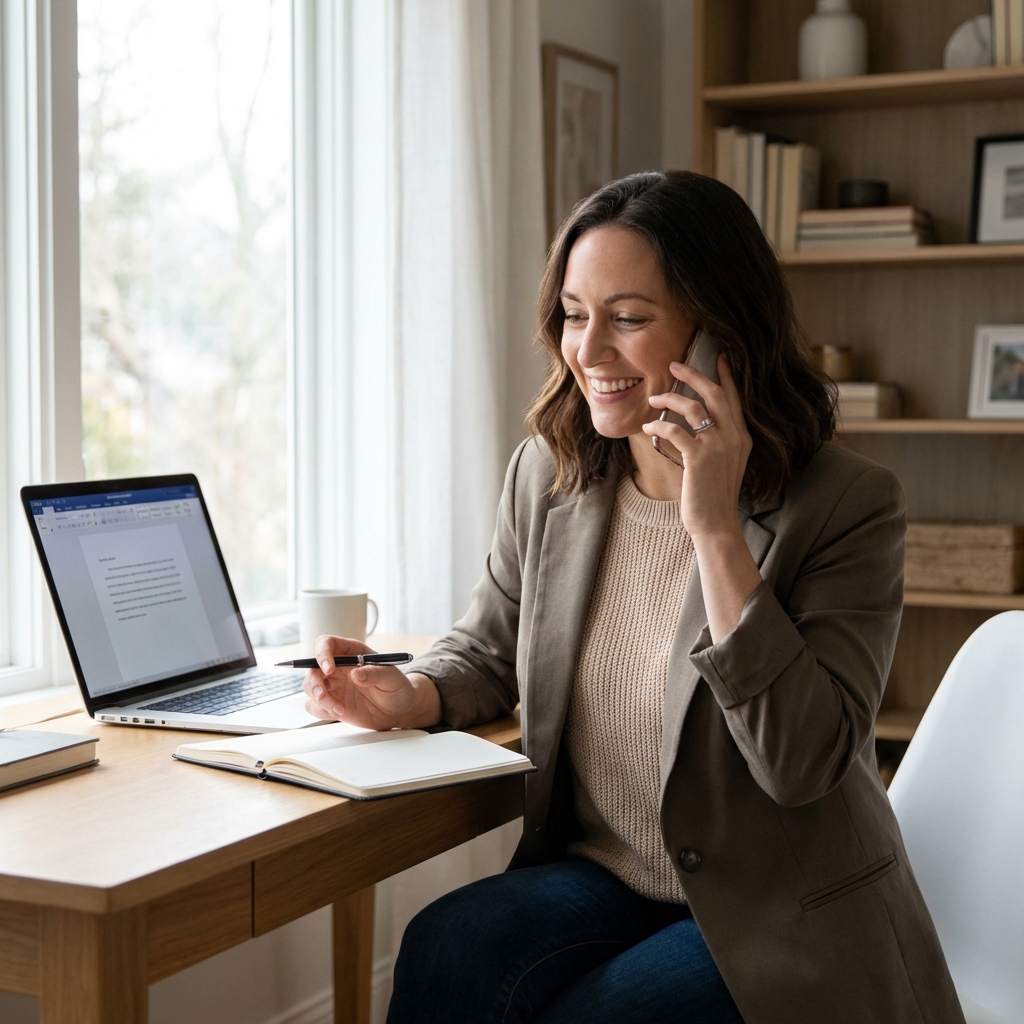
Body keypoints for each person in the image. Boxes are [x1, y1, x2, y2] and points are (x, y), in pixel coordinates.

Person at [303, 171, 965, 1024]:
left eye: (630, 318)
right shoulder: (548, 474)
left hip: (776, 905)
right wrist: (417, 692)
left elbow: (804, 762)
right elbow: (489, 648)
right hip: (605, 875)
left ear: (718, 334)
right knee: (447, 946)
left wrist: (717, 531)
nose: (590, 350)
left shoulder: (845, 505)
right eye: (577, 315)